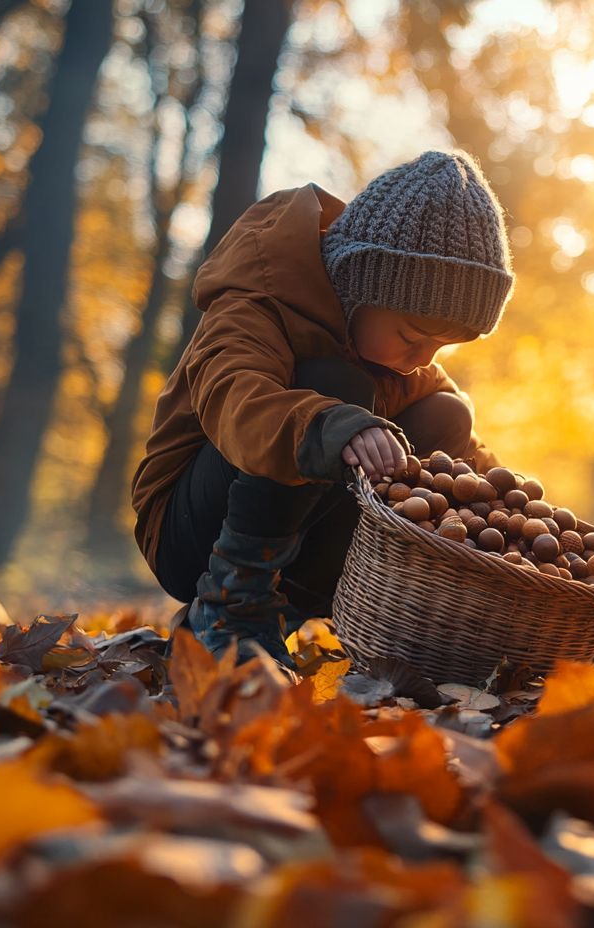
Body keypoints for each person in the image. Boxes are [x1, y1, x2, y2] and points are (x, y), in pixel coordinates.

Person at [129, 150, 513, 667]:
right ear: (361, 287)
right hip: (193, 534)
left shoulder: (394, 355)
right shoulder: (257, 300)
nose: (422, 360)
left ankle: (289, 611)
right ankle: (229, 611)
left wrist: (513, 512)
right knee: (335, 387)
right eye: (412, 336)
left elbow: (465, 455)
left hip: (301, 554)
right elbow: (235, 397)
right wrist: (329, 424)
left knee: (446, 414)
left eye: (442, 348)